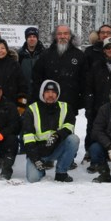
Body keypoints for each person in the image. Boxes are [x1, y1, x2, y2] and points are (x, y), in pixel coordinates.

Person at [31, 24, 87, 157]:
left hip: (70, 102)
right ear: (55, 36)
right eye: (60, 34)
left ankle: (68, 157)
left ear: (70, 36)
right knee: (48, 129)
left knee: (67, 129)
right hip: (48, 102)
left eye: (66, 34)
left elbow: (85, 80)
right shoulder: (46, 55)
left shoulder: (79, 56)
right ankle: (48, 155)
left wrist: (81, 100)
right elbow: (36, 77)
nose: (63, 36)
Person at [22, 80, 78, 183]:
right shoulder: (31, 109)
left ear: (57, 94)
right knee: (33, 178)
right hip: (38, 151)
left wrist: (57, 135)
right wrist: (35, 159)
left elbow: (70, 126)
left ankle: (61, 173)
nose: (50, 95)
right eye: (47, 92)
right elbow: (28, 138)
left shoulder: (65, 107)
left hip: (56, 148)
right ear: (42, 93)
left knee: (73, 140)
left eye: (53, 92)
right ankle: (41, 169)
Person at [17, 26, 45, 101]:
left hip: (40, 94)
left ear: (37, 38)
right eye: (29, 37)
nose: (32, 39)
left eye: (34, 36)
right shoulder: (19, 55)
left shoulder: (44, 54)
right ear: (26, 38)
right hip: (24, 93)